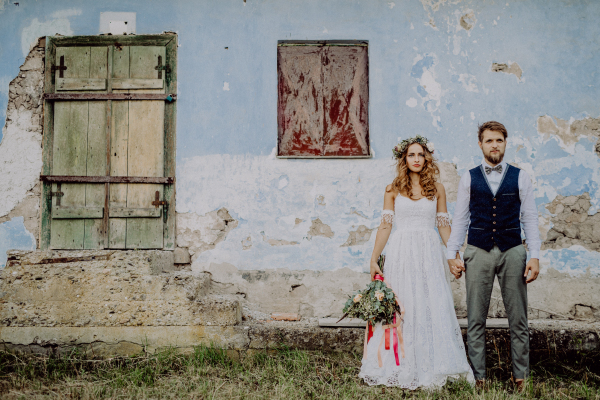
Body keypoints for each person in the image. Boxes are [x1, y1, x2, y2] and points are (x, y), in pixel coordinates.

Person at [359, 135, 474, 390]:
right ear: (404, 158)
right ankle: (400, 364)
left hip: (428, 251)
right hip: (401, 251)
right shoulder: (392, 189)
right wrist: (373, 258)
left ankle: (432, 363)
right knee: (405, 305)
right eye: (411, 155)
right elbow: (386, 225)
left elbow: (444, 227)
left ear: (427, 158)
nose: (416, 159)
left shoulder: (437, 189)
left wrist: (454, 255)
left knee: (431, 301)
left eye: (421, 155)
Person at [446, 121, 541, 390]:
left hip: (513, 250)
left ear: (505, 143)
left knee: (518, 318)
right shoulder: (469, 177)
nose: (494, 145)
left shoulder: (521, 176)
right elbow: (461, 218)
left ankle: (520, 376)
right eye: (489, 140)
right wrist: (452, 253)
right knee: (476, 317)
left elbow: (530, 218)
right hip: (478, 250)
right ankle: (479, 378)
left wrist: (534, 255)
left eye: (499, 140)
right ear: (481, 144)